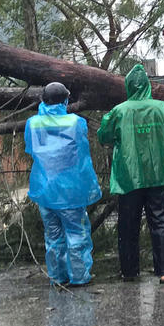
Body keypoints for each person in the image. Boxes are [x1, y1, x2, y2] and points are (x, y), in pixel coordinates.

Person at [98, 64, 164, 284]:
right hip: (158, 174)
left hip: (128, 176)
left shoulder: (119, 111)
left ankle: (129, 271)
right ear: (147, 85)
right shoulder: (162, 108)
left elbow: (103, 136)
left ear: (128, 86)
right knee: (161, 221)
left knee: (128, 223)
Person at [24, 82, 102, 287]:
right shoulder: (76, 122)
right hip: (70, 191)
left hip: (45, 190)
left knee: (53, 237)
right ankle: (79, 276)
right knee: (76, 234)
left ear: (43, 100)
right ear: (66, 100)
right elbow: (81, 154)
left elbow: (31, 150)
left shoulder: (32, 124)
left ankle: (57, 277)